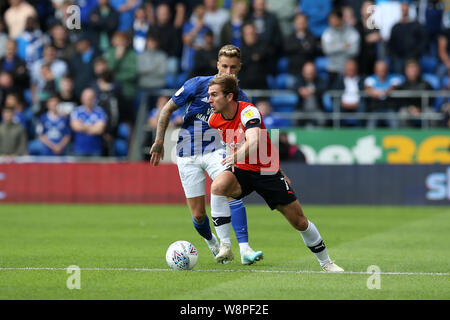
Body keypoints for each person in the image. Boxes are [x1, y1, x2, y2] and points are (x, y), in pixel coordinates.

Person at [206, 74, 344, 271]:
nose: (209, 99)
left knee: (299, 221)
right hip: (242, 171)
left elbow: (253, 142)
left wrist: (234, 156)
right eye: (209, 95)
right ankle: (225, 246)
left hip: (266, 171)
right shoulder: (213, 119)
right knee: (219, 186)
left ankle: (326, 262)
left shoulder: (249, 112)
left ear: (229, 97)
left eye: (214, 95)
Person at [149, 45, 263, 265]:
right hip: (187, 152)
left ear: (239, 68)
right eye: (224, 66)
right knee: (199, 215)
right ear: (217, 65)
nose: (228, 72)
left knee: (229, 191)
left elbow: (252, 131)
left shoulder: (241, 96)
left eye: (233, 67)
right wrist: (160, 140)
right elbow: (166, 109)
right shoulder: (197, 84)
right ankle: (213, 242)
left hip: (218, 151)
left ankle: (243, 249)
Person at [70, 88, 107, 157]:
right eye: (87, 98)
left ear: (94, 98)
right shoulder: (77, 111)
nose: (89, 100)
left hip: (96, 149)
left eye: (91, 98)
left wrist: (83, 126)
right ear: (82, 98)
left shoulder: (100, 112)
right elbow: (75, 127)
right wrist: (93, 127)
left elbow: (100, 130)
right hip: (79, 149)